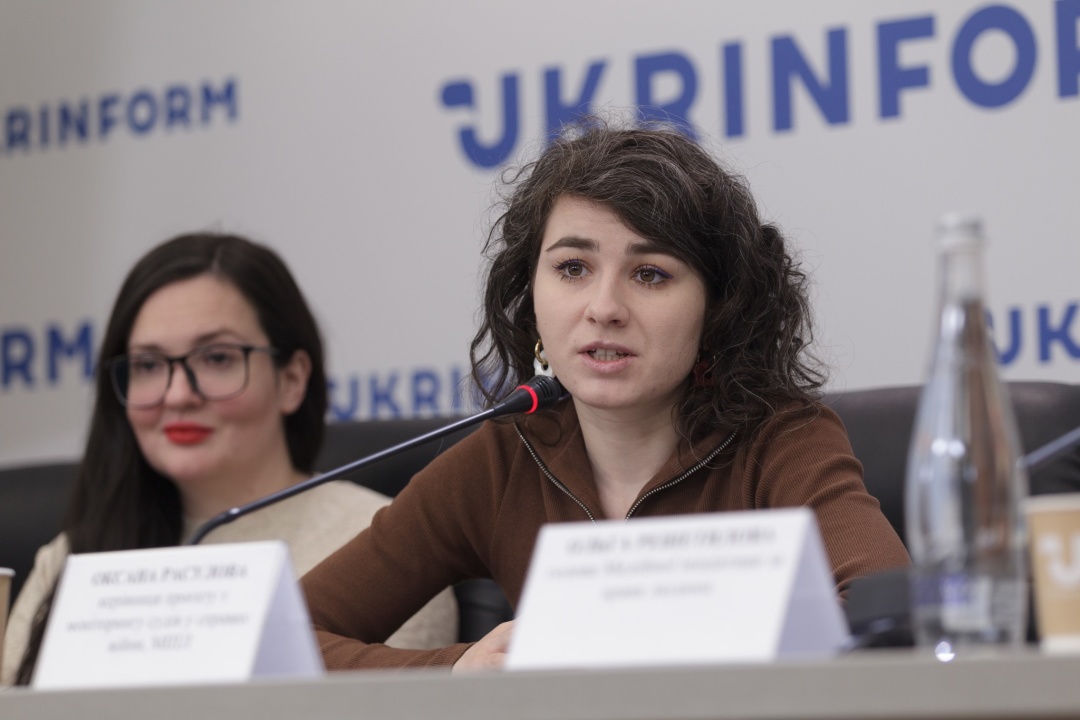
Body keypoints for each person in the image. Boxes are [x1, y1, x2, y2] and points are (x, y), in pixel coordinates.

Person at [300, 119, 910, 672]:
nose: (604, 308)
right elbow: (290, 640)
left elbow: (891, 620)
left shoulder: (780, 439)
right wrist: (455, 672)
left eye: (650, 274)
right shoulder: (501, 459)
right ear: (530, 295)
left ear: (718, 309)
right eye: (572, 268)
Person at [1, 233, 458, 686]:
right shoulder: (70, 557)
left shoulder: (390, 543)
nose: (177, 395)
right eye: (148, 365)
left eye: (217, 358)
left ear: (292, 379)